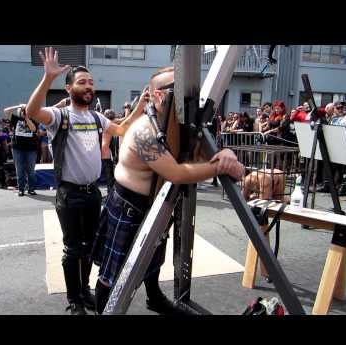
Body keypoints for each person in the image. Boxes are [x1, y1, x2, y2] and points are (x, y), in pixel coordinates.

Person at [92, 66, 245, 315]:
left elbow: (197, 155)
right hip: (128, 207)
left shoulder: (177, 125)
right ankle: (104, 311)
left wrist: (223, 154)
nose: (188, 98)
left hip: (155, 203)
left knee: (153, 259)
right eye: (178, 89)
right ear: (159, 95)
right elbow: (177, 173)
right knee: (113, 272)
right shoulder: (145, 130)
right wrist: (219, 167)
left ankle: (154, 298)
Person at [25, 47, 146, 315]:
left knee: (89, 248)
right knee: (72, 250)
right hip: (69, 195)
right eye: (82, 82)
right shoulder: (60, 116)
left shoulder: (96, 118)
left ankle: (84, 291)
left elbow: (123, 127)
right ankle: (75, 301)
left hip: (93, 193)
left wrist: (140, 106)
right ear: (68, 89)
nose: (88, 86)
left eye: (91, 82)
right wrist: (48, 78)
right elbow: (33, 110)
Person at [4, 105, 39, 196]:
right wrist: (18, 106)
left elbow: (33, 129)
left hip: (31, 149)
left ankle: (31, 189)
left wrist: (27, 118)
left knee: (30, 171)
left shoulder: (33, 119)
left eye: (25, 111)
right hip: (17, 149)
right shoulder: (16, 119)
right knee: (19, 170)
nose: (23, 112)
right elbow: (6, 110)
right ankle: (21, 189)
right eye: (22, 111)